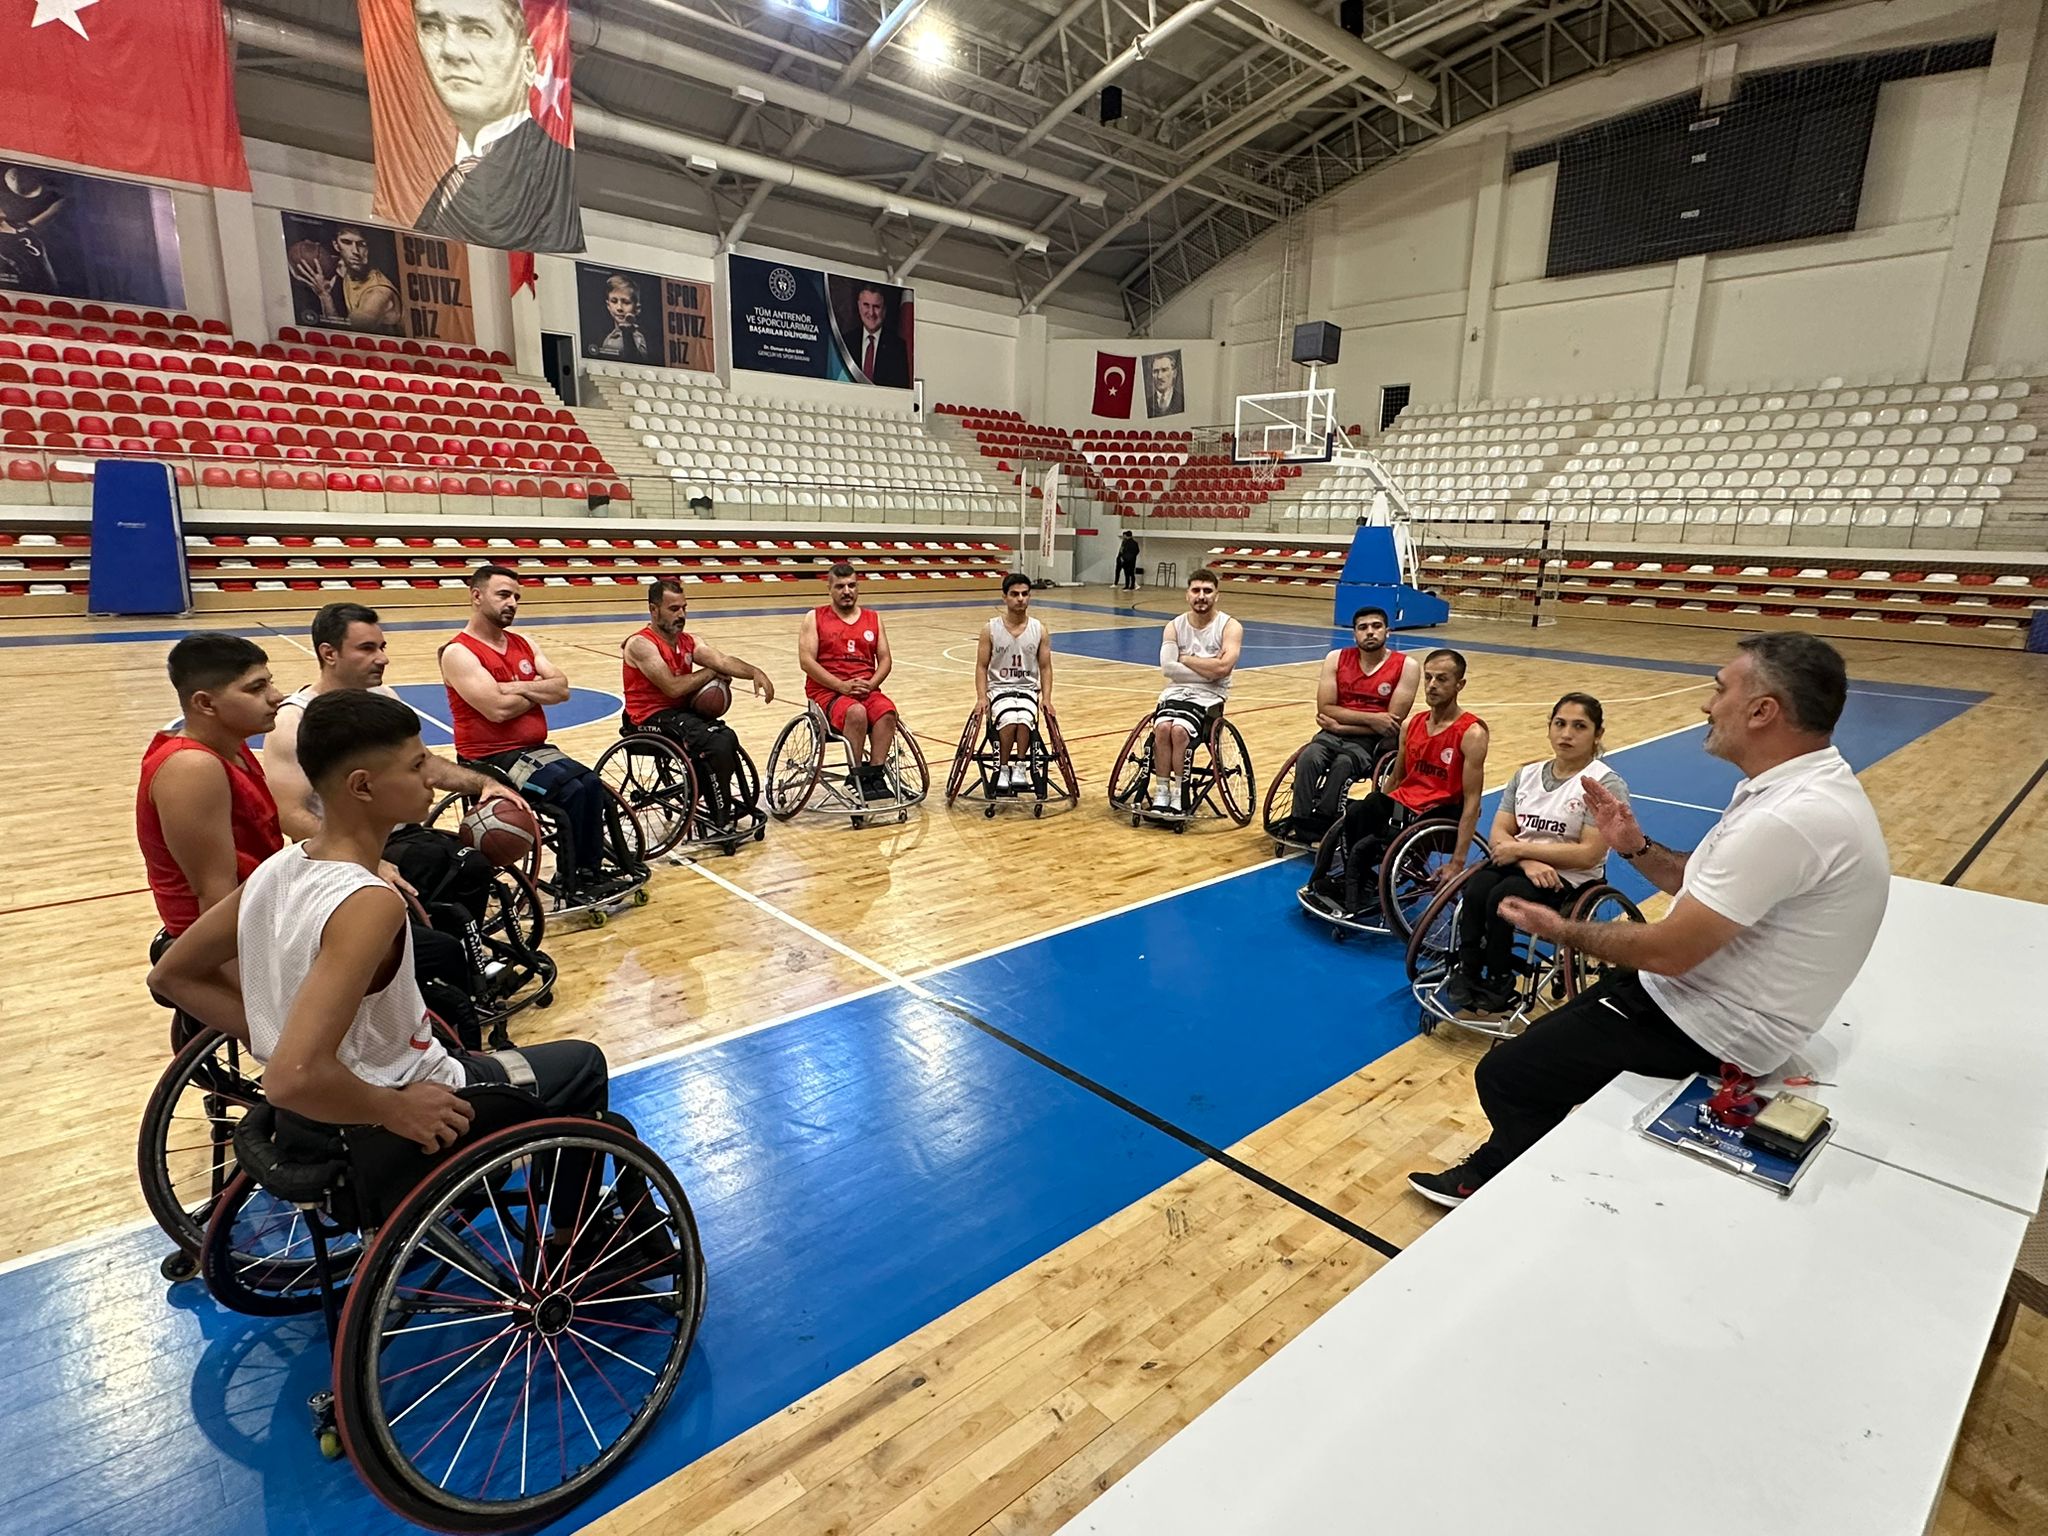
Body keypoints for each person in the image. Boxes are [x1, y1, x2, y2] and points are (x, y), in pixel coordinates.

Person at [1408, 633, 1891, 1209]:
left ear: (1763, 711)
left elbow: (1668, 950)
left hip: (1718, 1025)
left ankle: (1510, 1182)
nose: (1707, 706)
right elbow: (1699, 880)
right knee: (1547, 1037)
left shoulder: (1790, 817)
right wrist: (1635, 847)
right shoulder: (1791, 789)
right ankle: (1534, 1148)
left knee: (1507, 1074)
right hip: (1700, 991)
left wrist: (1559, 929)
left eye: (1719, 690)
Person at [147, 690, 610, 1163]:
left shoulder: (279, 866)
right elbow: (289, 1079)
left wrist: (270, 1035)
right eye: (415, 766)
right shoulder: (369, 903)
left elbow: (171, 975)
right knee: (584, 1064)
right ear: (363, 786)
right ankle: (569, 1233)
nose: (429, 776)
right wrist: (390, 1107)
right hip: (395, 1103)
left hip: (315, 1114)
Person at [266, 603, 526, 1047]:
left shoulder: (382, 701)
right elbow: (290, 814)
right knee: (430, 890)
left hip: (399, 837)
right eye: (367, 648)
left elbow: (424, 764)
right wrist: (362, 862)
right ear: (329, 654)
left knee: (473, 865)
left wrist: (484, 783)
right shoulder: (293, 722)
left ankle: (460, 969)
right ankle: (429, 985)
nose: (383, 657)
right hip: (346, 857)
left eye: (382, 646)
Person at [440, 565, 623, 898]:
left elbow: (562, 689)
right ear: (477, 596)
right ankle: (576, 878)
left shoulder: (524, 642)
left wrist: (514, 687)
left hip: (534, 751)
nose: (512, 603)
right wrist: (538, 688)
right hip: (490, 759)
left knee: (592, 783)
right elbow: (496, 710)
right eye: (503, 595)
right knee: (571, 792)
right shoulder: (458, 652)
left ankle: (590, 869)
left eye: (516, 597)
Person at [1442, 693, 1626, 1020]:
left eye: (1579, 726)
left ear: (1597, 734)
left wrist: (1522, 850)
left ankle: (1499, 982)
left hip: (1571, 879)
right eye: (1560, 724)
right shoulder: (1525, 776)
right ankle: (1469, 970)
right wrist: (1526, 859)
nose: (1566, 734)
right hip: (1522, 865)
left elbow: (1588, 854)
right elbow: (1500, 833)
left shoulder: (1604, 783)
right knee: (1476, 888)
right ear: (1550, 728)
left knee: (1503, 898)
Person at [1306, 649, 1487, 914]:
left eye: (1442, 679)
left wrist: (1457, 862)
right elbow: (1397, 778)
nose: (1432, 685)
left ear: (1460, 685)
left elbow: (1472, 801)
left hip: (1436, 815)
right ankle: (1359, 881)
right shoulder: (1411, 725)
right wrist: (1373, 805)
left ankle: (1358, 885)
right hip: (1403, 809)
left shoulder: (1471, 733)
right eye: (1428, 678)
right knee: (1359, 809)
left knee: (1368, 821)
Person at [137, 635, 285, 945]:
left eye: (269, 683)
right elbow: (215, 896)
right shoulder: (191, 768)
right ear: (205, 703)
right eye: (257, 688)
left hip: (259, 913)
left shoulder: (232, 746)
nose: (277, 696)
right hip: (217, 945)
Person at [410, 0, 581, 252]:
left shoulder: (551, 168)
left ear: (528, 63)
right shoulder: (437, 177)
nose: (450, 50)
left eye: (477, 30)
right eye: (432, 26)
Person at [622, 578, 776, 826]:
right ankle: (719, 814)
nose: (681, 614)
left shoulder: (689, 641)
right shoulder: (641, 644)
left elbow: (722, 661)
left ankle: (721, 798)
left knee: (725, 735)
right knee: (711, 741)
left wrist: (755, 672)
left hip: (678, 715)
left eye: (684, 608)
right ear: (654, 609)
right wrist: (711, 672)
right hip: (646, 719)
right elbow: (672, 688)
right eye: (674, 609)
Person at [1276, 606, 1420, 843]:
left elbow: (1391, 723)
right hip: (1333, 732)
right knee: (1308, 757)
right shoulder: (1336, 658)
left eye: (1376, 626)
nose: (1370, 632)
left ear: (1388, 631)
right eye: (1363, 628)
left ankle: (1324, 820)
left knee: (1343, 764)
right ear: (1354, 634)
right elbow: (1326, 708)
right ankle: (1300, 819)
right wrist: (1373, 718)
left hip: (1371, 742)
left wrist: (1342, 726)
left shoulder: (1407, 666)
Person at [799, 563, 902, 800]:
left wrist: (872, 684)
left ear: (858, 587)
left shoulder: (873, 618)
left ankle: (874, 775)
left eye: (852, 585)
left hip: (866, 689)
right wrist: (841, 686)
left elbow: (885, 659)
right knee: (855, 713)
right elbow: (807, 662)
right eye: (840, 586)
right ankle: (855, 775)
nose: (847, 591)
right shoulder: (814, 617)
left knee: (887, 713)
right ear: (830, 589)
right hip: (828, 691)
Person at [1149, 569, 1242, 816]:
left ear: (1217, 595)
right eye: (1196, 591)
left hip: (1211, 697)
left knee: (1179, 731)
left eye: (1207, 591)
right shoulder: (1174, 626)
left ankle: (1179, 794)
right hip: (1176, 691)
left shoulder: (1230, 627)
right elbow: (1168, 669)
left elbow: (1223, 669)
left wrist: (1185, 658)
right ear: (1187, 594)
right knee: (1162, 728)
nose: (1201, 596)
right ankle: (1161, 791)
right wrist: (1208, 668)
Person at [974, 573, 1056, 792]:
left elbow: (1046, 667)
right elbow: (981, 666)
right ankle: (1002, 768)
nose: (1020, 598)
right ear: (1005, 597)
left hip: (1027, 689)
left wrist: (1046, 698)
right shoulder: (990, 629)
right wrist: (982, 697)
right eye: (1014, 594)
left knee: (1026, 719)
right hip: (999, 688)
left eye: (1025, 594)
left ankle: (1020, 765)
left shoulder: (1039, 629)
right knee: (1009, 719)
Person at [291, 226, 402, 335]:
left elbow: (345, 335)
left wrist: (324, 296)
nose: (355, 251)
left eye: (361, 244)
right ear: (336, 245)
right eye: (346, 242)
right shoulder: (344, 266)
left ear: (369, 248)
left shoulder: (378, 293)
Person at [852, 283, 910, 388]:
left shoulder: (897, 346)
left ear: (884, 310)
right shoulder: (847, 341)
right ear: (859, 306)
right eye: (866, 305)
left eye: (876, 307)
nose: (871, 313)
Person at [592, 274, 653, 363]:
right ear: (608, 306)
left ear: (637, 308)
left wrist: (627, 334)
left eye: (626, 302)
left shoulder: (638, 337)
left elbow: (638, 363)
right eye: (614, 301)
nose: (619, 308)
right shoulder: (608, 338)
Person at [1144, 351, 1185, 418]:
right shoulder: (1146, 404)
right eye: (1155, 371)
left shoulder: (1183, 401)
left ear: (1174, 373)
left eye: (1164, 370)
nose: (1159, 376)